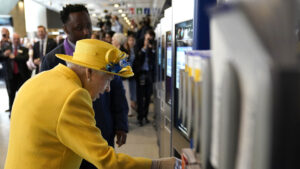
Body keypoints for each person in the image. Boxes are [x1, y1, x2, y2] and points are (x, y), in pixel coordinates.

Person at [4, 39, 180, 169]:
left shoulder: (42, 78)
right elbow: (106, 161)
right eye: (108, 80)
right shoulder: (73, 97)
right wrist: (160, 165)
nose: (108, 89)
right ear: (88, 72)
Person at [41, 4, 129, 169]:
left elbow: (117, 90)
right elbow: (45, 101)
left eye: (88, 25)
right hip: (69, 137)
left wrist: (121, 124)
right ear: (66, 29)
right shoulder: (51, 60)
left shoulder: (104, 54)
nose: (86, 32)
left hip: (102, 126)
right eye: (78, 27)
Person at [0, 31, 31, 114]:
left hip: (21, 76)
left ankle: (23, 111)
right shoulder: (7, 48)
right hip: (10, 76)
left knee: (22, 95)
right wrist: (4, 55)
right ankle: (12, 112)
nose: (16, 40)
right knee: (11, 95)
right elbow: (1, 57)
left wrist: (14, 57)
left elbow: (25, 58)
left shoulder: (24, 49)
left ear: (19, 39)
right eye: (14, 39)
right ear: (12, 39)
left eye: (17, 39)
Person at [132, 30, 156, 126]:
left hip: (149, 74)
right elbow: (137, 58)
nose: (149, 40)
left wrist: (151, 49)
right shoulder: (139, 44)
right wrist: (144, 48)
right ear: (145, 36)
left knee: (147, 96)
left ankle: (145, 116)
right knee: (140, 97)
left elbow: (154, 60)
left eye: (151, 39)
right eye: (148, 38)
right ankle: (140, 117)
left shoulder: (152, 46)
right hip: (140, 74)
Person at [127, 33, 137, 114]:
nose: (131, 42)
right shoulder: (126, 50)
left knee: (133, 90)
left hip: (134, 74)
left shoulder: (136, 50)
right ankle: (130, 109)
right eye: (130, 40)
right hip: (128, 74)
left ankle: (133, 104)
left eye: (133, 40)